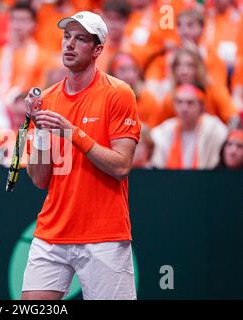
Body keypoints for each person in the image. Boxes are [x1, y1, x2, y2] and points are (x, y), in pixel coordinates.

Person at [22, 11, 141, 300]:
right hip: (53, 231)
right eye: (66, 37)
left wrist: (73, 133)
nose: (69, 45)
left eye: (80, 39)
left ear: (98, 49)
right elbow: (39, 179)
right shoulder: (47, 99)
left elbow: (122, 165)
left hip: (105, 235)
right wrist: (38, 129)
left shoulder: (118, 94)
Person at [0, 2, 53, 105]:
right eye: (14, 19)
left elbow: (42, 91)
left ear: (34, 25)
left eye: (23, 20)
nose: (17, 25)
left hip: (26, 110)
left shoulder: (45, 58)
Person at [157, 47, 240, 128]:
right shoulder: (170, 97)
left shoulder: (214, 89)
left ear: (199, 68)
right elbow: (160, 127)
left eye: (190, 66)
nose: (184, 71)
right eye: (178, 66)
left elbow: (233, 118)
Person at [151, 84, 228, 169]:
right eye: (179, 102)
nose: (184, 108)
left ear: (201, 107)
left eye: (190, 103)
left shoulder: (214, 129)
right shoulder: (163, 131)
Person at [108, 51, 161, 128]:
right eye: (122, 70)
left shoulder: (148, 100)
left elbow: (153, 134)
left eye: (133, 69)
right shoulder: (103, 99)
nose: (129, 75)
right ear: (112, 74)